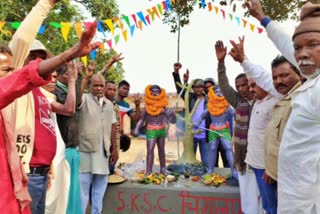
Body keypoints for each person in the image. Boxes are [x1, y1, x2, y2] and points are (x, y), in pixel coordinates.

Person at [1, 20, 100, 214]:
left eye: (42, 57)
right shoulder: (16, 91)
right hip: (27, 173)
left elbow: (69, 109)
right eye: (33, 57)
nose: (38, 61)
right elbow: (21, 42)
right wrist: (46, 4)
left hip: (43, 173)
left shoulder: (42, 93)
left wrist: (73, 79)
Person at [215, 41, 262, 214]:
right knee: (248, 200)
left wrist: (243, 58)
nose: (242, 89)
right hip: (243, 159)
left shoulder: (263, 100)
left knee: (265, 200)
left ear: (251, 83)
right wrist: (221, 64)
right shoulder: (238, 101)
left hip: (262, 160)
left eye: (244, 85)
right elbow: (224, 86)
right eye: (238, 87)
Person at [78, 73, 118, 214]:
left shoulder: (109, 104)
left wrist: (115, 149)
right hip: (85, 152)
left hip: (103, 152)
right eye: (95, 85)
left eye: (101, 85)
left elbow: (113, 126)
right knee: (82, 191)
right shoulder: (83, 99)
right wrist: (85, 78)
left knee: (99, 190)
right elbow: (76, 99)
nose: (99, 88)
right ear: (90, 86)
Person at [54, 62, 84, 214]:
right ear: (58, 76)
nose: (70, 76)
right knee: (61, 194)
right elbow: (70, 108)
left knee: (71, 193)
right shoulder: (55, 91)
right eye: (67, 74)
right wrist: (74, 80)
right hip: (61, 150)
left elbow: (77, 101)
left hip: (72, 149)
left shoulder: (68, 89)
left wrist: (76, 79)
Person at [172, 63, 211, 169]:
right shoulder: (190, 98)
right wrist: (177, 74)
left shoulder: (209, 100)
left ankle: (206, 180)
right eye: (196, 87)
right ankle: (188, 180)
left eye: (200, 87)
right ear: (193, 88)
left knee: (206, 162)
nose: (198, 89)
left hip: (204, 135)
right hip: (191, 136)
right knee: (188, 162)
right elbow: (180, 90)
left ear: (203, 88)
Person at [195, 86, 237, 180]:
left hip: (224, 129)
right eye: (216, 91)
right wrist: (197, 122)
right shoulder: (210, 106)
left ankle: (234, 171)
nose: (218, 93)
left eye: (220, 91)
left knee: (229, 148)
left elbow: (235, 113)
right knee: (212, 148)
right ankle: (210, 170)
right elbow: (203, 115)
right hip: (213, 129)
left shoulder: (227, 107)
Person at [134, 85, 176, 175]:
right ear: (150, 93)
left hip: (161, 129)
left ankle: (163, 168)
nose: (155, 93)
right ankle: (148, 171)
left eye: (157, 91)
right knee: (150, 150)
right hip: (151, 130)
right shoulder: (147, 108)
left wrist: (172, 114)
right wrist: (136, 128)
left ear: (160, 94)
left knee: (162, 150)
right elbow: (141, 119)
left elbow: (173, 121)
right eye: (153, 91)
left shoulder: (164, 107)